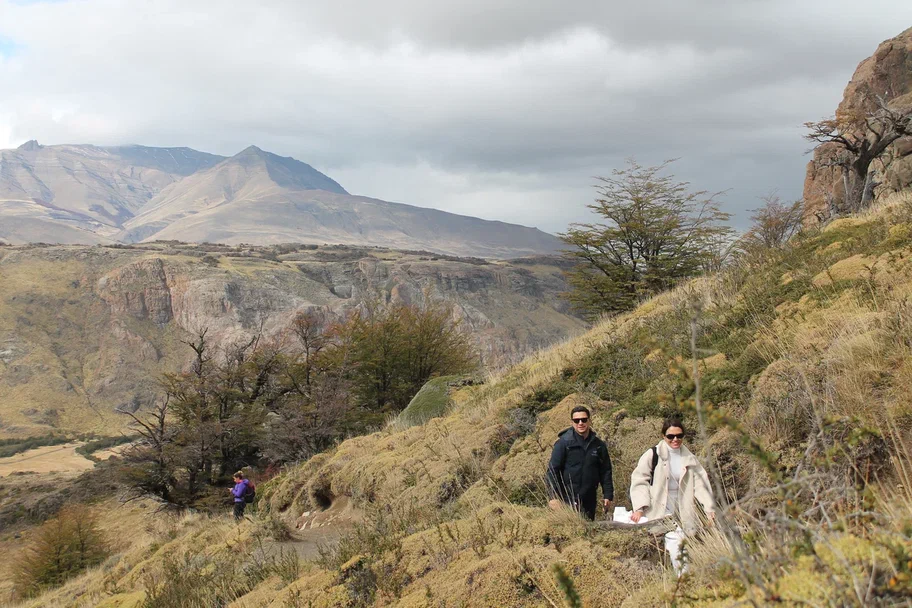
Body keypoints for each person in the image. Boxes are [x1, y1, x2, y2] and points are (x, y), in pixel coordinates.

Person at [629, 416, 715, 575]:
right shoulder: (653, 454)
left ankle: (680, 577)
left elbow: (701, 483)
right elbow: (639, 479)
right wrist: (640, 508)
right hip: (660, 508)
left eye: (679, 436)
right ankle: (682, 578)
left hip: (683, 508)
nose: (675, 439)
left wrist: (709, 508)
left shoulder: (689, 458)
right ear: (663, 436)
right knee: (675, 541)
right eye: (670, 436)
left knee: (682, 540)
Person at [545, 405, 614, 520]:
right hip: (566, 498)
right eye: (577, 420)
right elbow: (553, 470)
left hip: (589, 498)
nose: (580, 423)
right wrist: (553, 496)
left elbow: (605, 471)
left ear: (589, 421)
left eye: (584, 419)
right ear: (572, 422)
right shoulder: (563, 443)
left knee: (588, 530)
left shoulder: (598, 445)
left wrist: (608, 495)